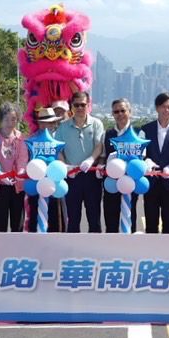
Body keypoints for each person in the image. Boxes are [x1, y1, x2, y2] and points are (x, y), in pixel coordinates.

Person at [57, 90, 104, 232]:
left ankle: (95, 245)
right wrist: (64, 166)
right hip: (72, 177)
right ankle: (73, 246)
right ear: (71, 106)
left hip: (91, 176)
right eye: (76, 105)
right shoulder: (63, 127)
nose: (79, 108)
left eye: (82, 105)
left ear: (88, 105)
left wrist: (91, 159)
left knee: (94, 217)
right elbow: (58, 150)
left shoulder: (96, 123)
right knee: (73, 218)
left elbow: (99, 146)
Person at [141, 93, 169, 234]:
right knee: (151, 224)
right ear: (157, 108)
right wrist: (147, 161)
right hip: (150, 182)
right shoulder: (146, 129)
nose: (167, 110)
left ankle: (168, 248)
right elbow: (142, 153)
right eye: (164, 107)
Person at [98, 99, 138, 233]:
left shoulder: (138, 133)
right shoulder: (107, 134)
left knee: (130, 217)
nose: (120, 114)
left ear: (130, 112)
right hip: (111, 182)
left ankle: (130, 245)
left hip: (130, 182)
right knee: (110, 219)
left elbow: (143, 157)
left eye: (123, 111)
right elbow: (103, 156)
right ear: (112, 114)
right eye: (116, 112)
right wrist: (100, 165)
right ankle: (111, 245)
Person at [25, 108, 67, 232]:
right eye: (43, 122)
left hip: (55, 182)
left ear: (54, 123)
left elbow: (62, 159)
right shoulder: (31, 140)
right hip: (36, 182)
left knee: (56, 217)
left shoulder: (59, 139)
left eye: (50, 122)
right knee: (34, 215)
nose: (47, 125)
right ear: (39, 123)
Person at [0, 102, 28, 233]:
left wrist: (19, 174)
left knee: (17, 224)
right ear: (1, 119)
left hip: (17, 185)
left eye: (13, 119)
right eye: (6, 119)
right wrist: (1, 175)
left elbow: (23, 160)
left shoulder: (21, 138)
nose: (10, 123)